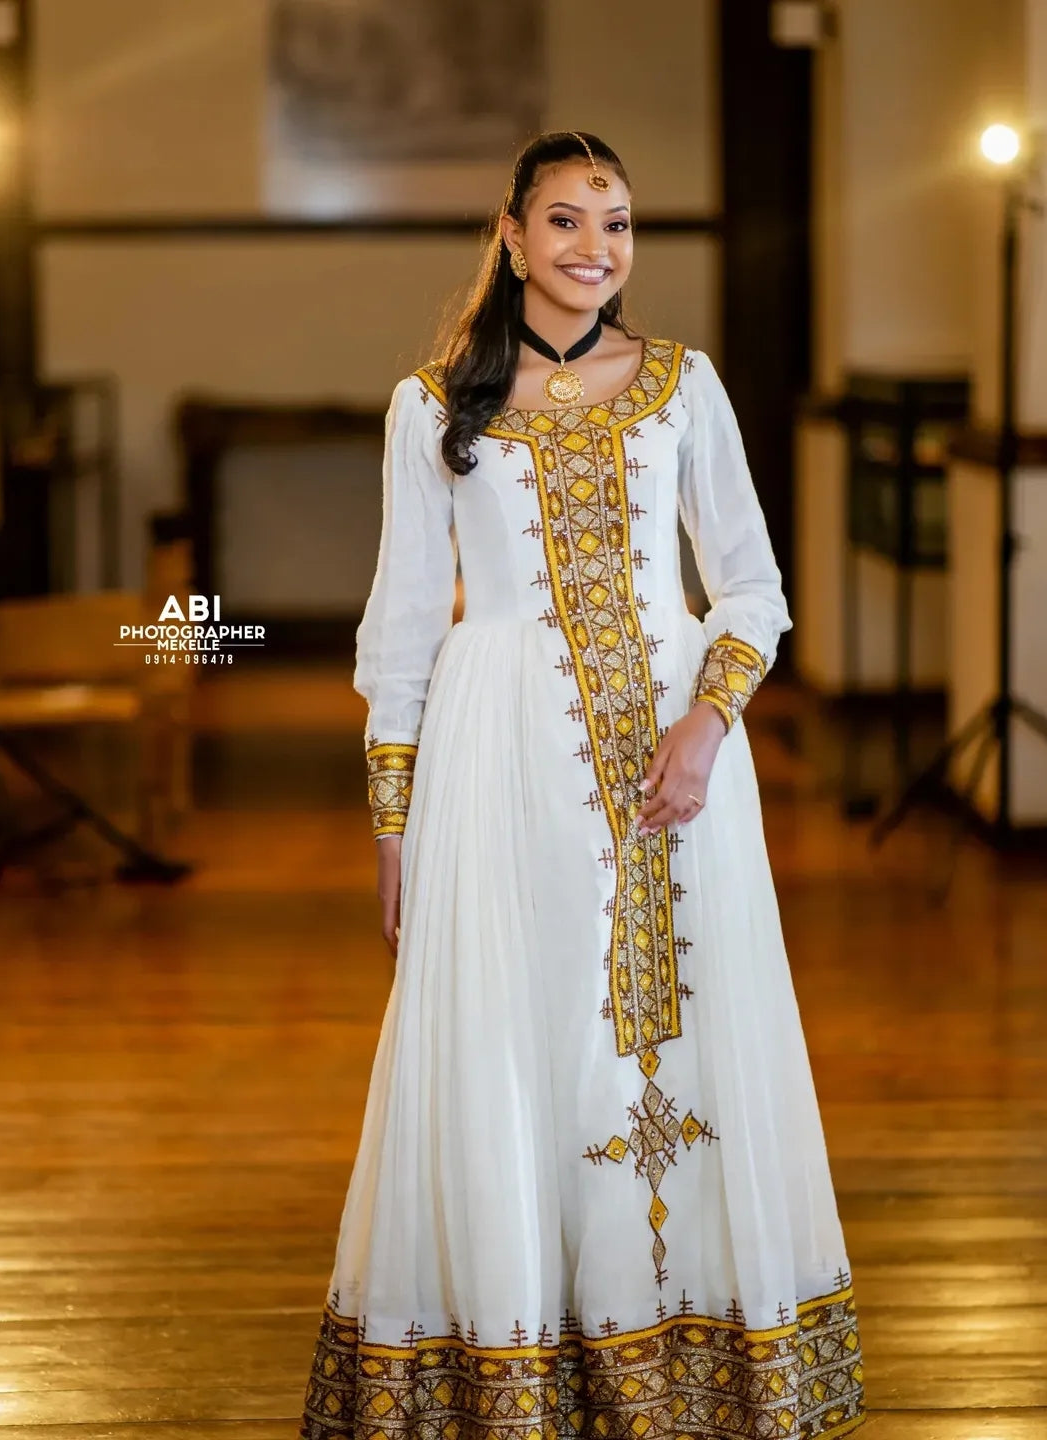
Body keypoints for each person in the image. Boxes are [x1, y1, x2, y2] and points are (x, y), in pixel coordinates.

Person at [299, 130, 866, 1440]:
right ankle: (520, 1360)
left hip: (676, 770)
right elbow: (397, 634)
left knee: (667, 1040)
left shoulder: (683, 385)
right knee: (519, 1030)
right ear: (509, 236)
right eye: (565, 222)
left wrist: (709, 723)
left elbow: (753, 588)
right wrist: (394, 823)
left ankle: (676, 1342)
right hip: (497, 766)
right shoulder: (433, 404)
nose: (595, 250)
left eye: (617, 224)